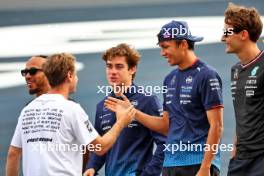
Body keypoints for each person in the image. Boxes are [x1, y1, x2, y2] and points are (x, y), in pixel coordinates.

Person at [105, 21, 224, 176]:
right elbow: (166, 126)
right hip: (170, 164)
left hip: (197, 163)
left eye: (166, 47)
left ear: (183, 44)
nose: (162, 53)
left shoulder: (207, 75)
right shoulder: (169, 79)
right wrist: (132, 112)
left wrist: (206, 167)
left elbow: (217, 126)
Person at [6, 53, 136, 176]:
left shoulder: (27, 110)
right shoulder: (72, 109)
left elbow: (13, 154)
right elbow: (99, 147)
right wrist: (121, 122)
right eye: (76, 75)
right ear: (69, 75)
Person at [84, 43, 166, 176]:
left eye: (119, 66)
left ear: (132, 69)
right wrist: (92, 167)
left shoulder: (147, 100)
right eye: (109, 66)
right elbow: (100, 147)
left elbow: (165, 144)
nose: (113, 71)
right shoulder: (102, 106)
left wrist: (148, 174)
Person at [221, 3, 264, 176]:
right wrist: (235, 146)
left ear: (244, 34)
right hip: (240, 159)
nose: (222, 38)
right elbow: (244, 112)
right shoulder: (236, 70)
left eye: (227, 33)